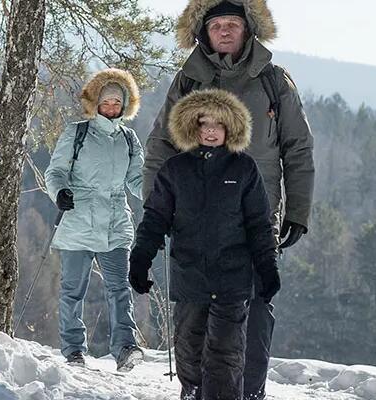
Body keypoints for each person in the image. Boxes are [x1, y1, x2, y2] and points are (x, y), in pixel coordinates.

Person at [144, 1, 315, 397]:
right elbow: (160, 147)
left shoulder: (273, 80)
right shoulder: (188, 81)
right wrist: (158, 209)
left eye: (232, 24)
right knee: (194, 312)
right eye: (216, 24)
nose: (224, 31)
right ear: (202, 32)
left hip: (256, 218)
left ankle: (250, 392)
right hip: (195, 220)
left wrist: (298, 210)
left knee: (254, 310)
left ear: (249, 29)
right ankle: (197, 390)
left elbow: (298, 148)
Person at [130, 89, 281, 400]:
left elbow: (258, 224)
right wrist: (141, 258)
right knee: (189, 351)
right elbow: (155, 218)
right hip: (190, 276)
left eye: (218, 125)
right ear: (193, 127)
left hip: (232, 278)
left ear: (230, 129)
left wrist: (267, 268)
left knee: (225, 355)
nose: (211, 131)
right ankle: (192, 393)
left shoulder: (244, 169)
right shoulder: (175, 169)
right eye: (204, 124)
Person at [43, 68, 147, 371]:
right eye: (107, 103)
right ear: (96, 104)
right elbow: (56, 171)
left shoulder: (129, 139)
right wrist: (60, 192)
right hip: (78, 220)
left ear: (125, 105)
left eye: (117, 103)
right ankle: (74, 349)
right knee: (73, 290)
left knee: (120, 288)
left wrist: (157, 198)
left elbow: (136, 178)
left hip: (115, 222)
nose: (112, 108)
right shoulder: (77, 133)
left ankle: (125, 347)